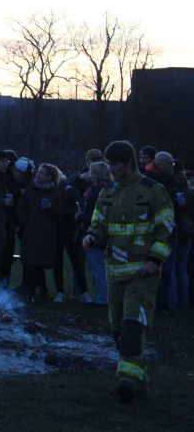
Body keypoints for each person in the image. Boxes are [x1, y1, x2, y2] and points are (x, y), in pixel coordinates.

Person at [82, 140, 173, 402]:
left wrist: (154, 260)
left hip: (142, 274)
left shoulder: (153, 190)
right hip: (114, 272)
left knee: (133, 326)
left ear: (129, 163)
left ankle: (126, 380)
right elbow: (98, 223)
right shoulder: (107, 193)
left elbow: (166, 228)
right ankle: (139, 380)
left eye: (114, 164)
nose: (110, 169)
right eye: (108, 164)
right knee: (118, 330)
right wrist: (91, 236)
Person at [142, 151, 189, 314]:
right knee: (165, 270)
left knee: (169, 270)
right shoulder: (151, 181)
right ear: (160, 164)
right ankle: (162, 305)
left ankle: (169, 304)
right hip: (159, 231)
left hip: (172, 230)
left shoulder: (171, 179)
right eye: (170, 164)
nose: (173, 167)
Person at [15, 163, 63, 302]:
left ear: (49, 177)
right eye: (38, 172)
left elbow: (60, 213)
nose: (38, 174)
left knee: (38, 264)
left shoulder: (55, 193)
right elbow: (21, 208)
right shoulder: (30, 190)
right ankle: (29, 291)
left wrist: (51, 208)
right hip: (30, 232)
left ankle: (41, 291)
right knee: (29, 263)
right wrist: (26, 221)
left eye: (42, 173)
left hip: (46, 234)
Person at [78, 161, 112, 305]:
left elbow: (97, 214)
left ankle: (101, 298)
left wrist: (80, 216)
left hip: (95, 232)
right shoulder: (97, 188)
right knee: (98, 267)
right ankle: (102, 295)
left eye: (91, 172)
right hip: (93, 230)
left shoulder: (102, 191)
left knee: (98, 267)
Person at [54, 171, 87, 303]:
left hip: (70, 232)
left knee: (77, 263)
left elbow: (77, 210)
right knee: (58, 263)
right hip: (58, 232)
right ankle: (60, 291)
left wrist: (58, 211)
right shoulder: (55, 191)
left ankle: (83, 292)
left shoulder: (71, 191)